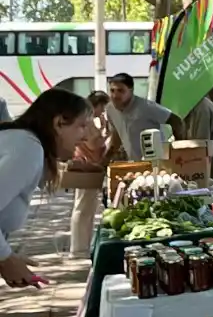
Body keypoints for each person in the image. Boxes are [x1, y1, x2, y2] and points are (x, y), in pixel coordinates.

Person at [0, 89, 92, 288]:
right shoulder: (27, 148)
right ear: (59, 123)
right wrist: (6, 259)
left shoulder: (23, 143)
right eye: (82, 126)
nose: (85, 136)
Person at [68, 91, 111, 257]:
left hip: (89, 166)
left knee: (87, 207)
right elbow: (94, 144)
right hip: (87, 167)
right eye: (103, 107)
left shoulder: (87, 120)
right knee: (83, 207)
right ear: (97, 105)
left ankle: (83, 246)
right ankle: (78, 248)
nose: (103, 111)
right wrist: (106, 131)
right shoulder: (88, 121)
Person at [104, 74, 182, 163]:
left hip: (156, 162)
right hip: (134, 163)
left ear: (131, 91)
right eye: (112, 90)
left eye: (120, 91)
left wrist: (179, 150)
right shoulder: (110, 109)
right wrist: (106, 157)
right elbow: (116, 134)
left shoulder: (146, 107)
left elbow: (177, 122)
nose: (115, 95)